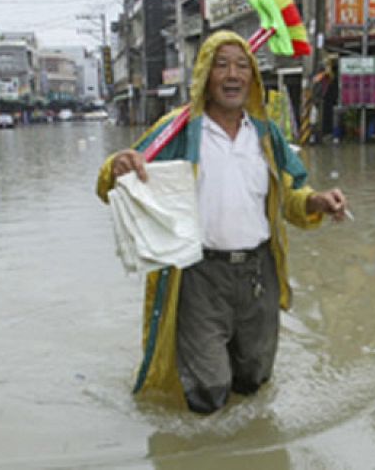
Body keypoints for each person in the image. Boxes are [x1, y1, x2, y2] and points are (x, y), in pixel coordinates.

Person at [96, 30, 348, 414]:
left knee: (254, 379)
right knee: (208, 389)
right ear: (204, 76)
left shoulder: (266, 136)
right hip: (199, 276)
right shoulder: (176, 131)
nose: (233, 75)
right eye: (222, 65)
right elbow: (117, 181)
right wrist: (116, 166)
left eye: (242, 65)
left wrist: (317, 200)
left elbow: (292, 194)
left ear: (253, 78)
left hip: (258, 274)